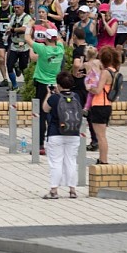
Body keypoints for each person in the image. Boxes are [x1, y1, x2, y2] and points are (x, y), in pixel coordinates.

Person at [25, 27, 66, 155]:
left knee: (41, 115)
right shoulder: (60, 49)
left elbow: (27, 39)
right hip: (55, 85)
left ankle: (40, 145)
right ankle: (55, 144)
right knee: (54, 115)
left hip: (42, 84)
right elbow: (60, 39)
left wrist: (29, 27)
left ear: (45, 38)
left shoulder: (43, 49)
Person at [41, 71, 81, 199]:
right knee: (71, 161)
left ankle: (54, 190)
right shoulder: (76, 97)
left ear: (58, 85)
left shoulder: (54, 98)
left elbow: (45, 109)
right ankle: (72, 190)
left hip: (55, 134)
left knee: (56, 162)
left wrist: (49, 93)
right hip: (74, 133)